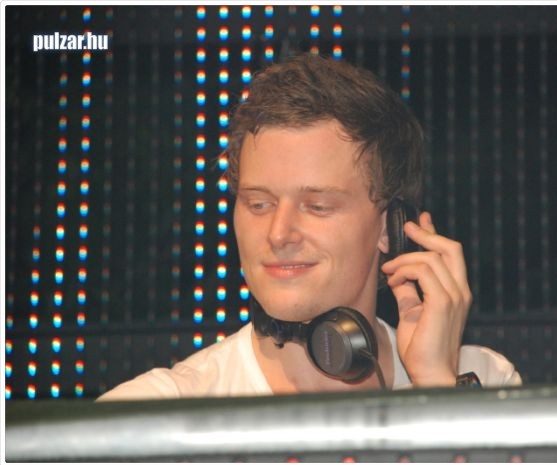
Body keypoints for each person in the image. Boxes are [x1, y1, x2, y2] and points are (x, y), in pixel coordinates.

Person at [98, 53, 521, 401]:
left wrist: (437, 393)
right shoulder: (150, 413)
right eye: (258, 204)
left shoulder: (482, 381)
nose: (278, 233)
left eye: (317, 206)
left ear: (391, 228)